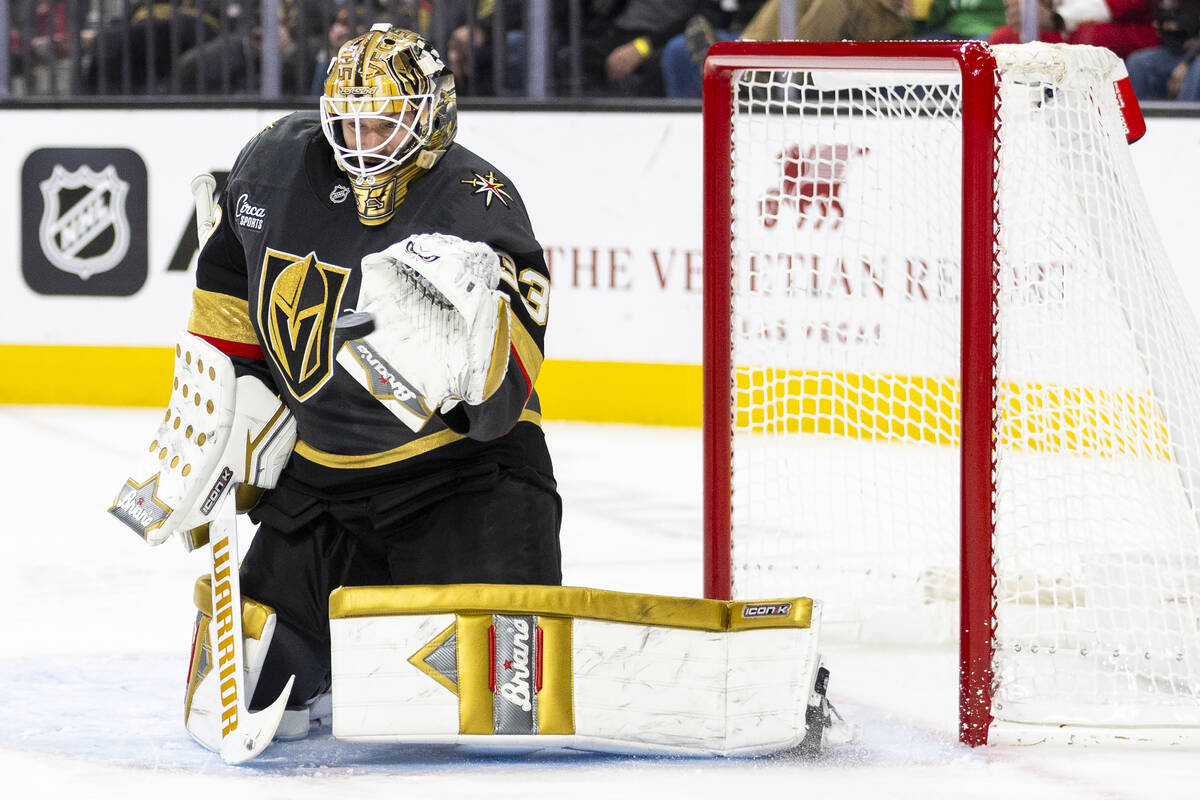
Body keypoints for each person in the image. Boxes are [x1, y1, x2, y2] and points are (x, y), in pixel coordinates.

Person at [178, 23, 561, 743]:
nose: (364, 138)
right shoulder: (272, 165)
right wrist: (230, 396)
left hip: (461, 485)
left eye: (385, 122)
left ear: (431, 118)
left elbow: (507, 394)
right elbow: (228, 264)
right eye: (349, 120)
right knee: (239, 702)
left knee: (503, 717)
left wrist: (469, 348)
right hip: (320, 489)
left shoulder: (479, 203)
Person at [987, 0, 1158, 60]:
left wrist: (1058, 18)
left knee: (1088, 39)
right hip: (1069, 28)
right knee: (1003, 39)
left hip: (1129, 29)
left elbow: (1115, 6)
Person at [1126, 0, 1200, 100]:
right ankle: (1139, 114)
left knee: (1198, 68)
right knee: (1137, 62)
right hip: (1176, 51)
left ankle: (1185, 114)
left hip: (1195, 57)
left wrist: (1186, 64)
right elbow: (1164, 27)